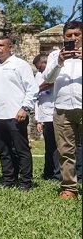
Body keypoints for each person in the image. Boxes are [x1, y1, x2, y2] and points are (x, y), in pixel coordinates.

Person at [0, 35, 39, 191]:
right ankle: (8, 179)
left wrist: (25, 107)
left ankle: (25, 182)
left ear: (10, 47)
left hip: (16, 114)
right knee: (4, 150)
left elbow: (32, 88)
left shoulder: (20, 65)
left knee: (21, 149)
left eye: (1, 45)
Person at [43, 20, 82, 199]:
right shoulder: (54, 55)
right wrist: (59, 61)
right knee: (66, 150)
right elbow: (47, 78)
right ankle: (69, 188)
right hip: (62, 108)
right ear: (63, 37)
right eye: (69, 36)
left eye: (77, 35)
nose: (73, 38)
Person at [33, 54, 60, 181]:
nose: (39, 70)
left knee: (57, 147)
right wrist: (38, 120)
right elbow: (37, 100)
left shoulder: (55, 71)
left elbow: (50, 82)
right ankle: (48, 172)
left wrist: (37, 89)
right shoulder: (39, 75)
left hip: (55, 113)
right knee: (49, 147)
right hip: (44, 116)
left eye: (40, 67)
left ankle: (57, 173)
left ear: (45, 62)